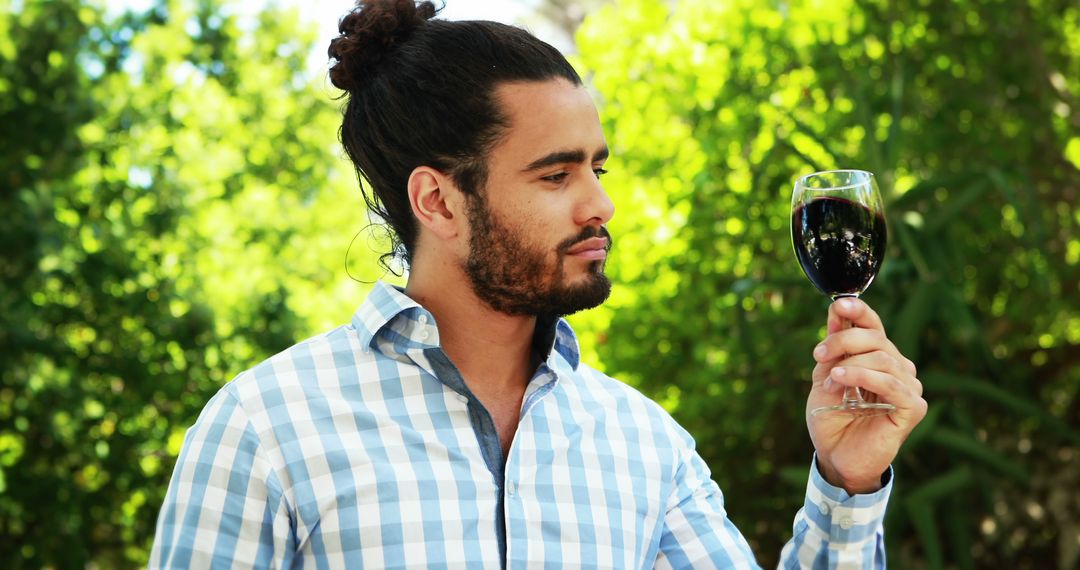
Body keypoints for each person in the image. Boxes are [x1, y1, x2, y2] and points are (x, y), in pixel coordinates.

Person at [149, 0, 928, 567]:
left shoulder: (643, 444)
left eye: (598, 166)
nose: (601, 204)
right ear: (439, 201)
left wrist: (845, 482)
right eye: (556, 174)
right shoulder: (265, 429)